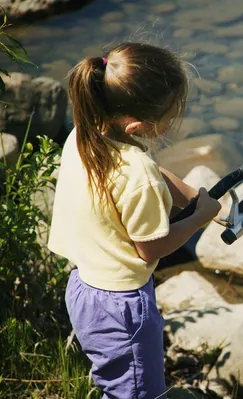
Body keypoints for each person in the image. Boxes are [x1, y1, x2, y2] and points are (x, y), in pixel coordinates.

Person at [47, 42, 222, 398]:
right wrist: (198, 219)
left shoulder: (84, 135)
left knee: (117, 382)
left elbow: (148, 168)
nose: (173, 121)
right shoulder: (137, 173)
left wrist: (189, 194)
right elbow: (149, 249)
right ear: (139, 125)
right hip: (122, 307)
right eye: (171, 116)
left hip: (83, 288)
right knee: (138, 392)